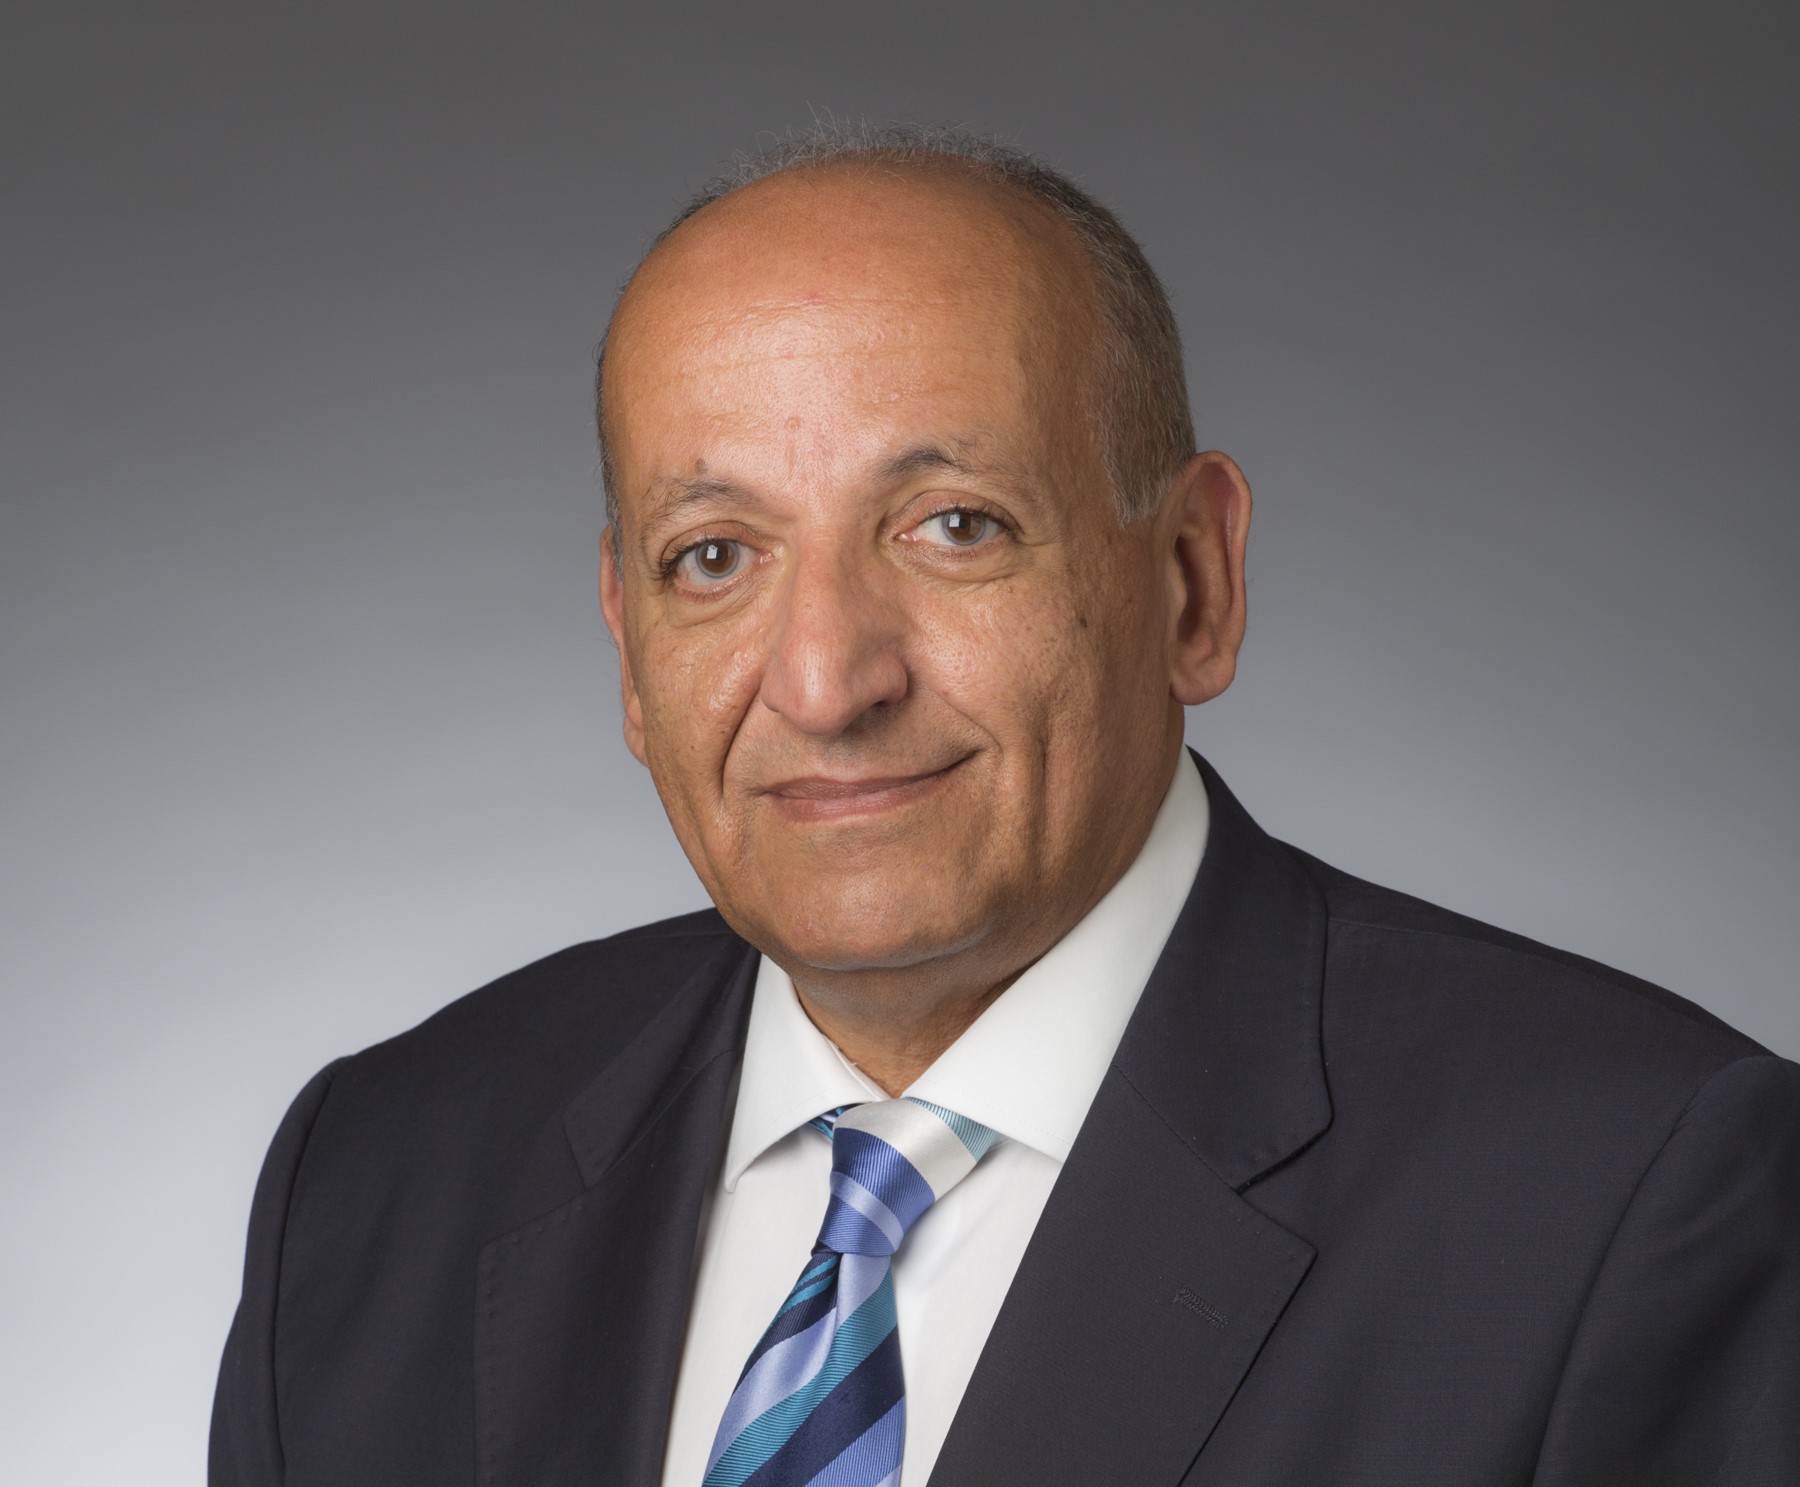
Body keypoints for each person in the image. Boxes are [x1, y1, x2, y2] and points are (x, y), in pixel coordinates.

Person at [210, 125, 1800, 1486]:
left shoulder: (1630, 1196)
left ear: (1193, 582)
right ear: (630, 649)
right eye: (715, 556)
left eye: (953, 525)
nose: (825, 680)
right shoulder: (380, 1177)